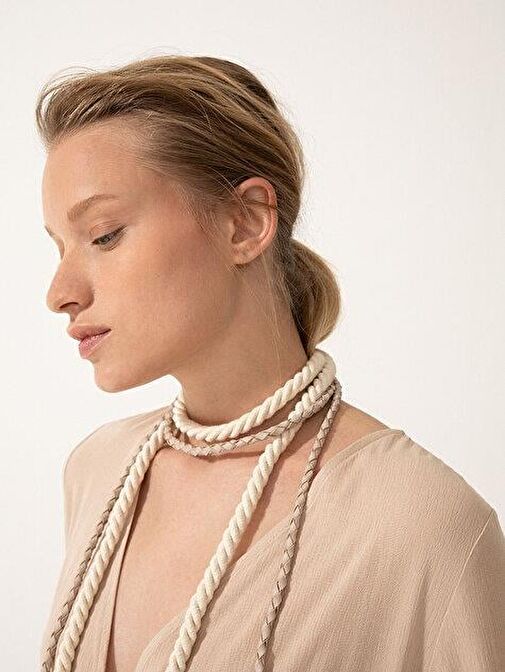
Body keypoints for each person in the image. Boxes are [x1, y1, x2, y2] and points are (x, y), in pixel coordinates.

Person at [36, 55, 505, 672]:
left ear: (245, 222)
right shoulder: (99, 472)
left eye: (104, 235)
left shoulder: (422, 525)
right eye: (58, 247)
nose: (60, 292)